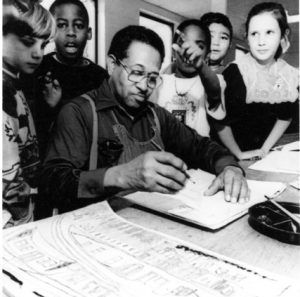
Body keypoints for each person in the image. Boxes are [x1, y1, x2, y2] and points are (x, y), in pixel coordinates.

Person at [40, 25, 249, 214]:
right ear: (112, 65)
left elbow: (202, 146)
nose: (143, 86)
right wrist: (121, 175)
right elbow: (53, 181)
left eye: (151, 77)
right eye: (137, 72)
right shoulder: (79, 112)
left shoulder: (156, 116)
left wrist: (230, 168)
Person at [23, 0, 108, 159]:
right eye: (62, 25)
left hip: (88, 159)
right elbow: (28, 128)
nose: (71, 32)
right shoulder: (37, 68)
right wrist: (50, 107)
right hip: (49, 157)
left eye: (78, 25)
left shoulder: (100, 77)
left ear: (89, 33)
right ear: (52, 31)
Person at [214, 2, 299, 160]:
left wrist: (264, 150)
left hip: (264, 153)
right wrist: (238, 154)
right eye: (254, 34)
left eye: (269, 32)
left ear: (283, 35)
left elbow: (285, 116)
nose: (261, 41)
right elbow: (219, 121)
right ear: (246, 37)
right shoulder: (235, 72)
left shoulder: (288, 74)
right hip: (228, 152)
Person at [2, 2, 55, 228]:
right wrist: (24, 215)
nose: (38, 53)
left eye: (43, 45)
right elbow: (10, 187)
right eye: (28, 41)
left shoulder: (16, 86)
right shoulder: (5, 94)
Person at [150, 19, 225, 137]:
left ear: (207, 55)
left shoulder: (210, 82)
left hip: (198, 153)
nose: (189, 52)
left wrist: (200, 65)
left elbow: (214, 89)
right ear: (174, 52)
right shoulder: (161, 82)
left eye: (199, 46)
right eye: (183, 45)